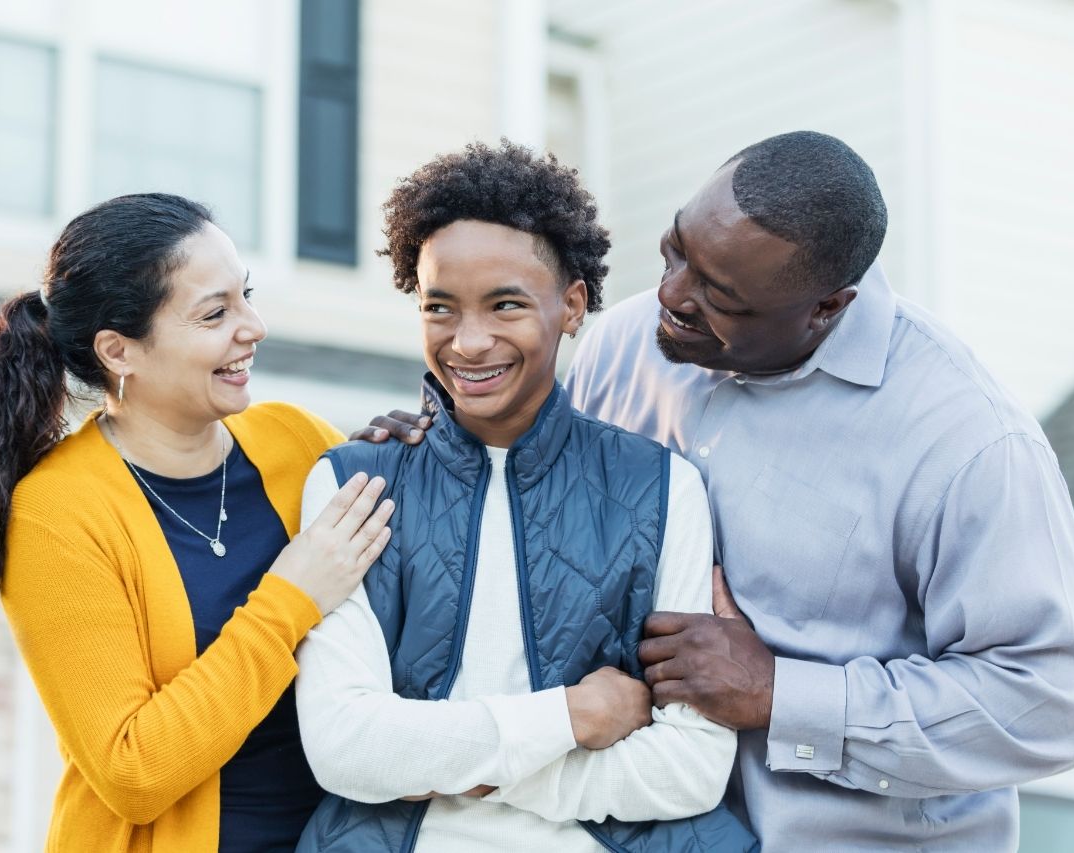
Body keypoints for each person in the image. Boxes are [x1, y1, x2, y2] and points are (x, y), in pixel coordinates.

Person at [358, 131, 1074, 852]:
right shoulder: (624, 347)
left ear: (827, 307)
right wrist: (439, 451)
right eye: (677, 250)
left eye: (722, 297)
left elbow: (1047, 701)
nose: (672, 296)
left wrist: (781, 692)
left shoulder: (965, 440)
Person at [292, 141, 758, 852]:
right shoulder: (355, 483)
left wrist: (458, 766)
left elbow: (690, 767)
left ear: (572, 305)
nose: (468, 342)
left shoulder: (661, 488)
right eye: (439, 307)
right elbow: (344, 747)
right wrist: (569, 718)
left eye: (505, 304)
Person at [0, 193, 395, 853]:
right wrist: (290, 600)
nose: (253, 325)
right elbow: (132, 768)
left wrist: (410, 471)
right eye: (215, 312)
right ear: (119, 350)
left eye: (245, 296)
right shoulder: (60, 513)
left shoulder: (296, 439)